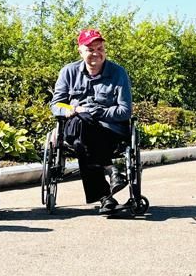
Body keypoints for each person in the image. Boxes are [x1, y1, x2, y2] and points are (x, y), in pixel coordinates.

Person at [50, 29, 134, 216]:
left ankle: (105, 198)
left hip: (108, 131)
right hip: (75, 125)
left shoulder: (118, 73)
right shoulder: (68, 72)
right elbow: (56, 104)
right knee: (81, 120)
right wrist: (71, 110)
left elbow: (125, 110)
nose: (96, 53)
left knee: (81, 144)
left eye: (100, 48)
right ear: (80, 51)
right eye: (90, 49)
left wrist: (98, 112)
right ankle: (110, 169)